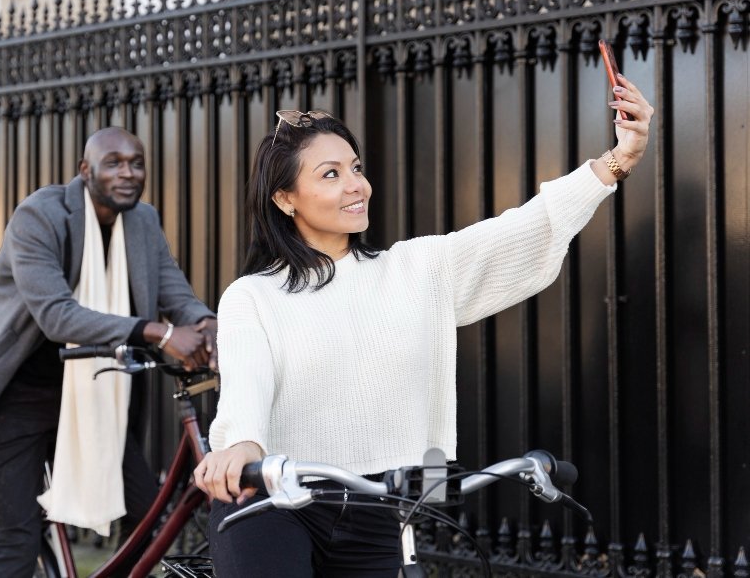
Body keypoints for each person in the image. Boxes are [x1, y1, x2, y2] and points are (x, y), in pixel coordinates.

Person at [194, 76, 654, 576]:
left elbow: (522, 229)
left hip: (375, 508)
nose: (356, 185)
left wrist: (617, 161)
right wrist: (242, 443)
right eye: (330, 174)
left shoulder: (417, 270)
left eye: (356, 167)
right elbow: (246, 390)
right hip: (268, 501)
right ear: (285, 199)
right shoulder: (254, 295)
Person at [0, 126, 217, 577]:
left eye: (136, 163)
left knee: (148, 523)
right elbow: (57, 316)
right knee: (20, 545)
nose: (128, 173)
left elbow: (174, 292)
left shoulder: (141, 221)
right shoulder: (40, 217)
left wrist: (206, 324)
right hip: (19, 402)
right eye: (114, 163)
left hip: (93, 397)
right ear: (85, 171)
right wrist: (159, 334)